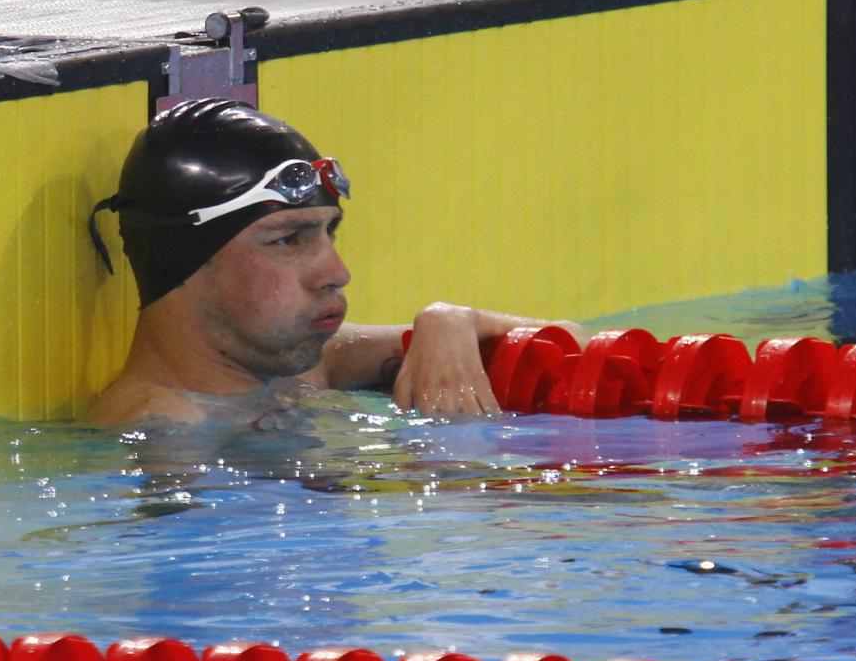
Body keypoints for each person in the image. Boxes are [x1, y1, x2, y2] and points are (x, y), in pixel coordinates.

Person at [86, 98, 585, 426]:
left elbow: (574, 345)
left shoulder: (297, 368)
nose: (336, 273)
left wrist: (451, 321)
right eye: (287, 241)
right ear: (185, 264)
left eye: (329, 232)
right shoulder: (166, 431)